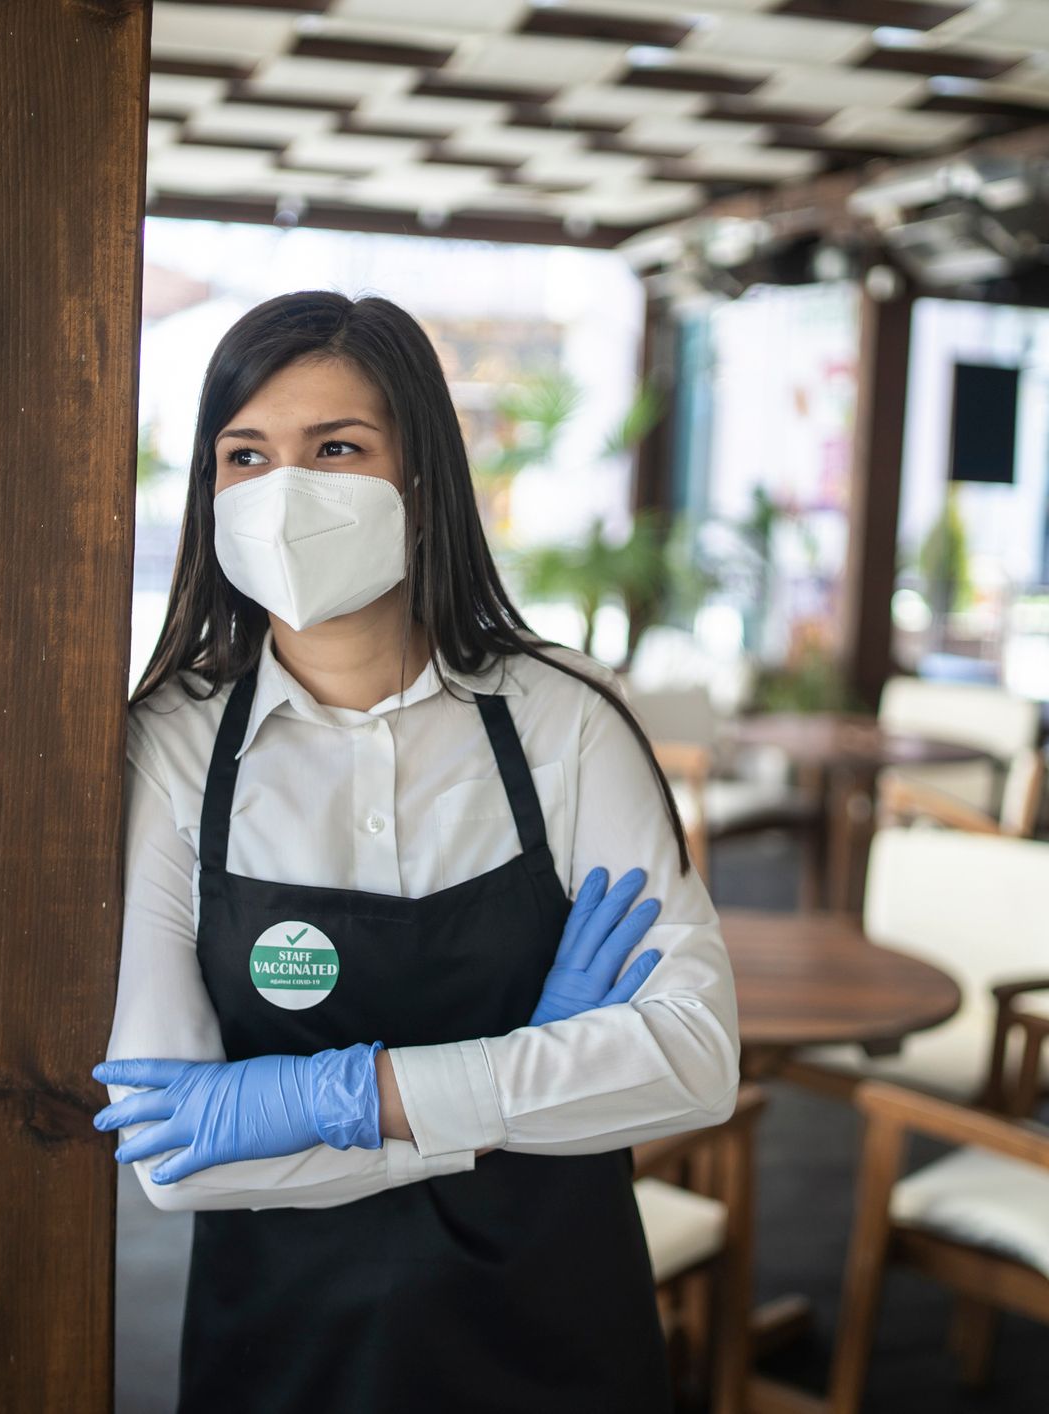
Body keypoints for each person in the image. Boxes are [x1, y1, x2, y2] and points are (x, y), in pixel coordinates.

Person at [93, 290, 740, 1414]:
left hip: (555, 1334)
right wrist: (517, 1092)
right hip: (287, 1352)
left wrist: (350, 1093)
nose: (285, 491)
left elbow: (691, 1057)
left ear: (422, 485)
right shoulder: (171, 747)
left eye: (336, 447)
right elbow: (174, 1149)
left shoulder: (566, 722)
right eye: (246, 454)